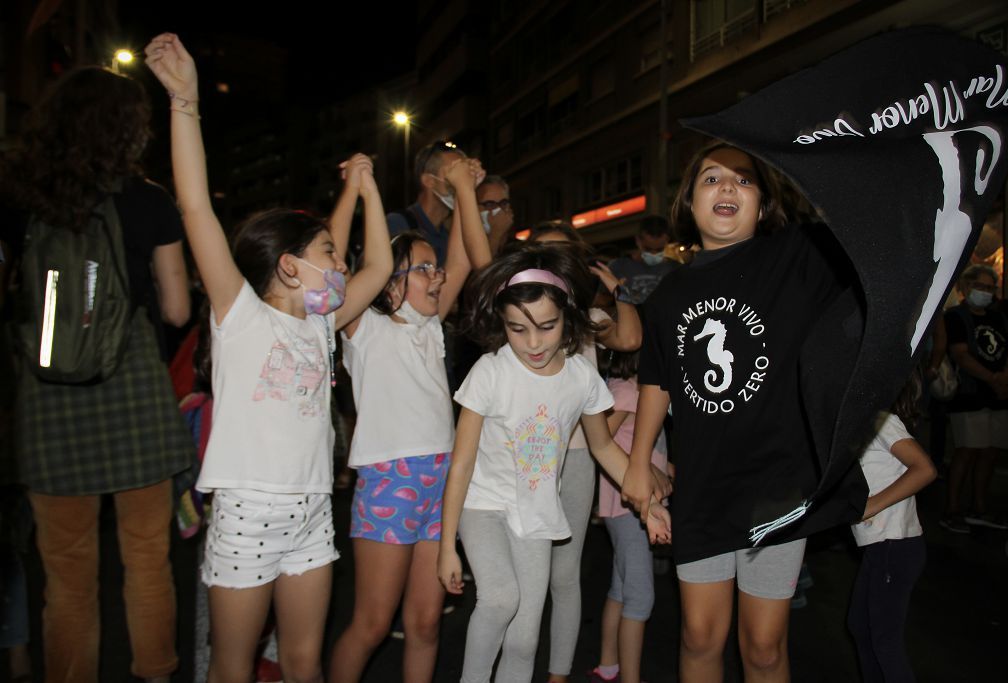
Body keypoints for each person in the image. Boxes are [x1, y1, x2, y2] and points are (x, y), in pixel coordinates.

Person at [145, 34, 393, 683]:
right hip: (247, 513)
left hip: (312, 511)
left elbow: (378, 263)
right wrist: (185, 104)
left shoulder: (320, 325)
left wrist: (364, 188)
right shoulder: (240, 315)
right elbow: (195, 205)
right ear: (288, 265)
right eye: (326, 255)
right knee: (232, 665)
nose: (339, 265)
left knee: (303, 661)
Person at [621, 142, 850, 682]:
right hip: (702, 484)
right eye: (711, 179)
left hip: (778, 483)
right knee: (699, 636)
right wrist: (637, 462)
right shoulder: (669, 295)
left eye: (744, 181)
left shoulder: (799, 256)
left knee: (765, 646)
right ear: (690, 202)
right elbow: (657, 380)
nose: (727, 188)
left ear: (766, 204)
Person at [0, 64, 193, 683]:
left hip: (46, 397)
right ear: (128, 129)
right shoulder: (147, 201)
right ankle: (155, 674)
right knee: (147, 560)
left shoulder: (17, 196)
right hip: (133, 390)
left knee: (67, 574)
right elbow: (176, 309)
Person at [438, 243, 670, 683]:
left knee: (525, 639)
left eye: (546, 327)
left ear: (568, 318)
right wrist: (447, 544)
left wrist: (647, 501)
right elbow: (462, 464)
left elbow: (603, 448)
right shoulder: (490, 371)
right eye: (517, 329)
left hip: (538, 513)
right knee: (502, 598)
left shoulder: (580, 377)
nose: (533, 343)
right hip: (483, 505)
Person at [329, 155, 490, 683]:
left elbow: (465, 262)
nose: (438, 274)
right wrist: (365, 190)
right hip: (389, 482)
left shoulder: (431, 329)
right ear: (391, 283)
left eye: (433, 266)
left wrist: (466, 191)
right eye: (424, 267)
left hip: (441, 481)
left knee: (424, 623)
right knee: (373, 623)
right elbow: (346, 274)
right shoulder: (364, 328)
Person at [524, 222, 647, 683]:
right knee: (523, 577)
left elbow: (632, 339)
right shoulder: (519, 315)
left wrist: (620, 288)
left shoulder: (588, 318)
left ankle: (558, 674)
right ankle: (520, 661)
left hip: (578, 453)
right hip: (527, 456)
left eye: (565, 255)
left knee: (566, 574)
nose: (557, 263)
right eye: (546, 254)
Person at [848, 372, 937, 682]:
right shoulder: (858, 423)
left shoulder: (880, 420)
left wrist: (873, 504)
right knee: (860, 627)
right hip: (880, 546)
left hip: (895, 544)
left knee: (885, 640)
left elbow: (925, 469)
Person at [592, 348, 670, 683]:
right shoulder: (627, 391)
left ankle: (608, 666)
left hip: (629, 506)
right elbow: (602, 441)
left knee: (621, 589)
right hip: (628, 507)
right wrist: (645, 470)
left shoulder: (635, 389)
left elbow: (646, 450)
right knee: (640, 597)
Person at [941, 264, 1008, 533]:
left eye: (989, 288)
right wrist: (993, 379)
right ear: (965, 288)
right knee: (967, 451)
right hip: (970, 395)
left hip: (999, 395)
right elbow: (961, 354)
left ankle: (979, 507)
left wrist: (1005, 378)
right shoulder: (956, 317)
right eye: (980, 286)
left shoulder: (997, 318)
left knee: (990, 452)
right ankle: (952, 508)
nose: (985, 292)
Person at [386, 140, 467, 266]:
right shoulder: (398, 224)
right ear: (429, 181)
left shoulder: (448, 235)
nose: (462, 180)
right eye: (454, 173)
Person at [608, 215, 681, 304]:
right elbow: (602, 301)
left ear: (667, 241)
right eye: (648, 249)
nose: (654, 254)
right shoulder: (618, 267)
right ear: (638, 241)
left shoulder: (676, 269)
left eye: (659, 249)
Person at [476, 175, 516, 253]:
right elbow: (484, 265)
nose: (499, 210)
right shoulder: (461, 244)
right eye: (489, 204)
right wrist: (495, 234)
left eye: (503, 203)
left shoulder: (518, 248)